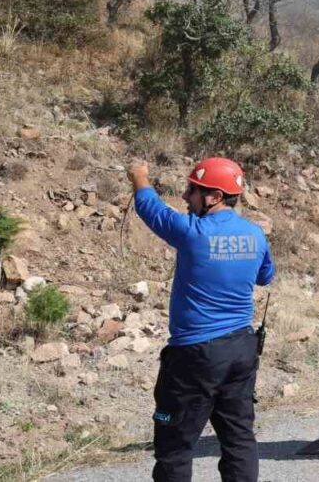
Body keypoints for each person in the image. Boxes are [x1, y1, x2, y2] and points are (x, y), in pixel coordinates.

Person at [127, 157, 274, 482]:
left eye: (192, 190)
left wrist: (139, 177)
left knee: (175, 446)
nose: (185, 196)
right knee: (238, 440)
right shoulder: (255, 235)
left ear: (214, 196)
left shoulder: (192, 232)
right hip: (240, 351)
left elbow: (152, 209)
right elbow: (266, 276)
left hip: (194, 356)